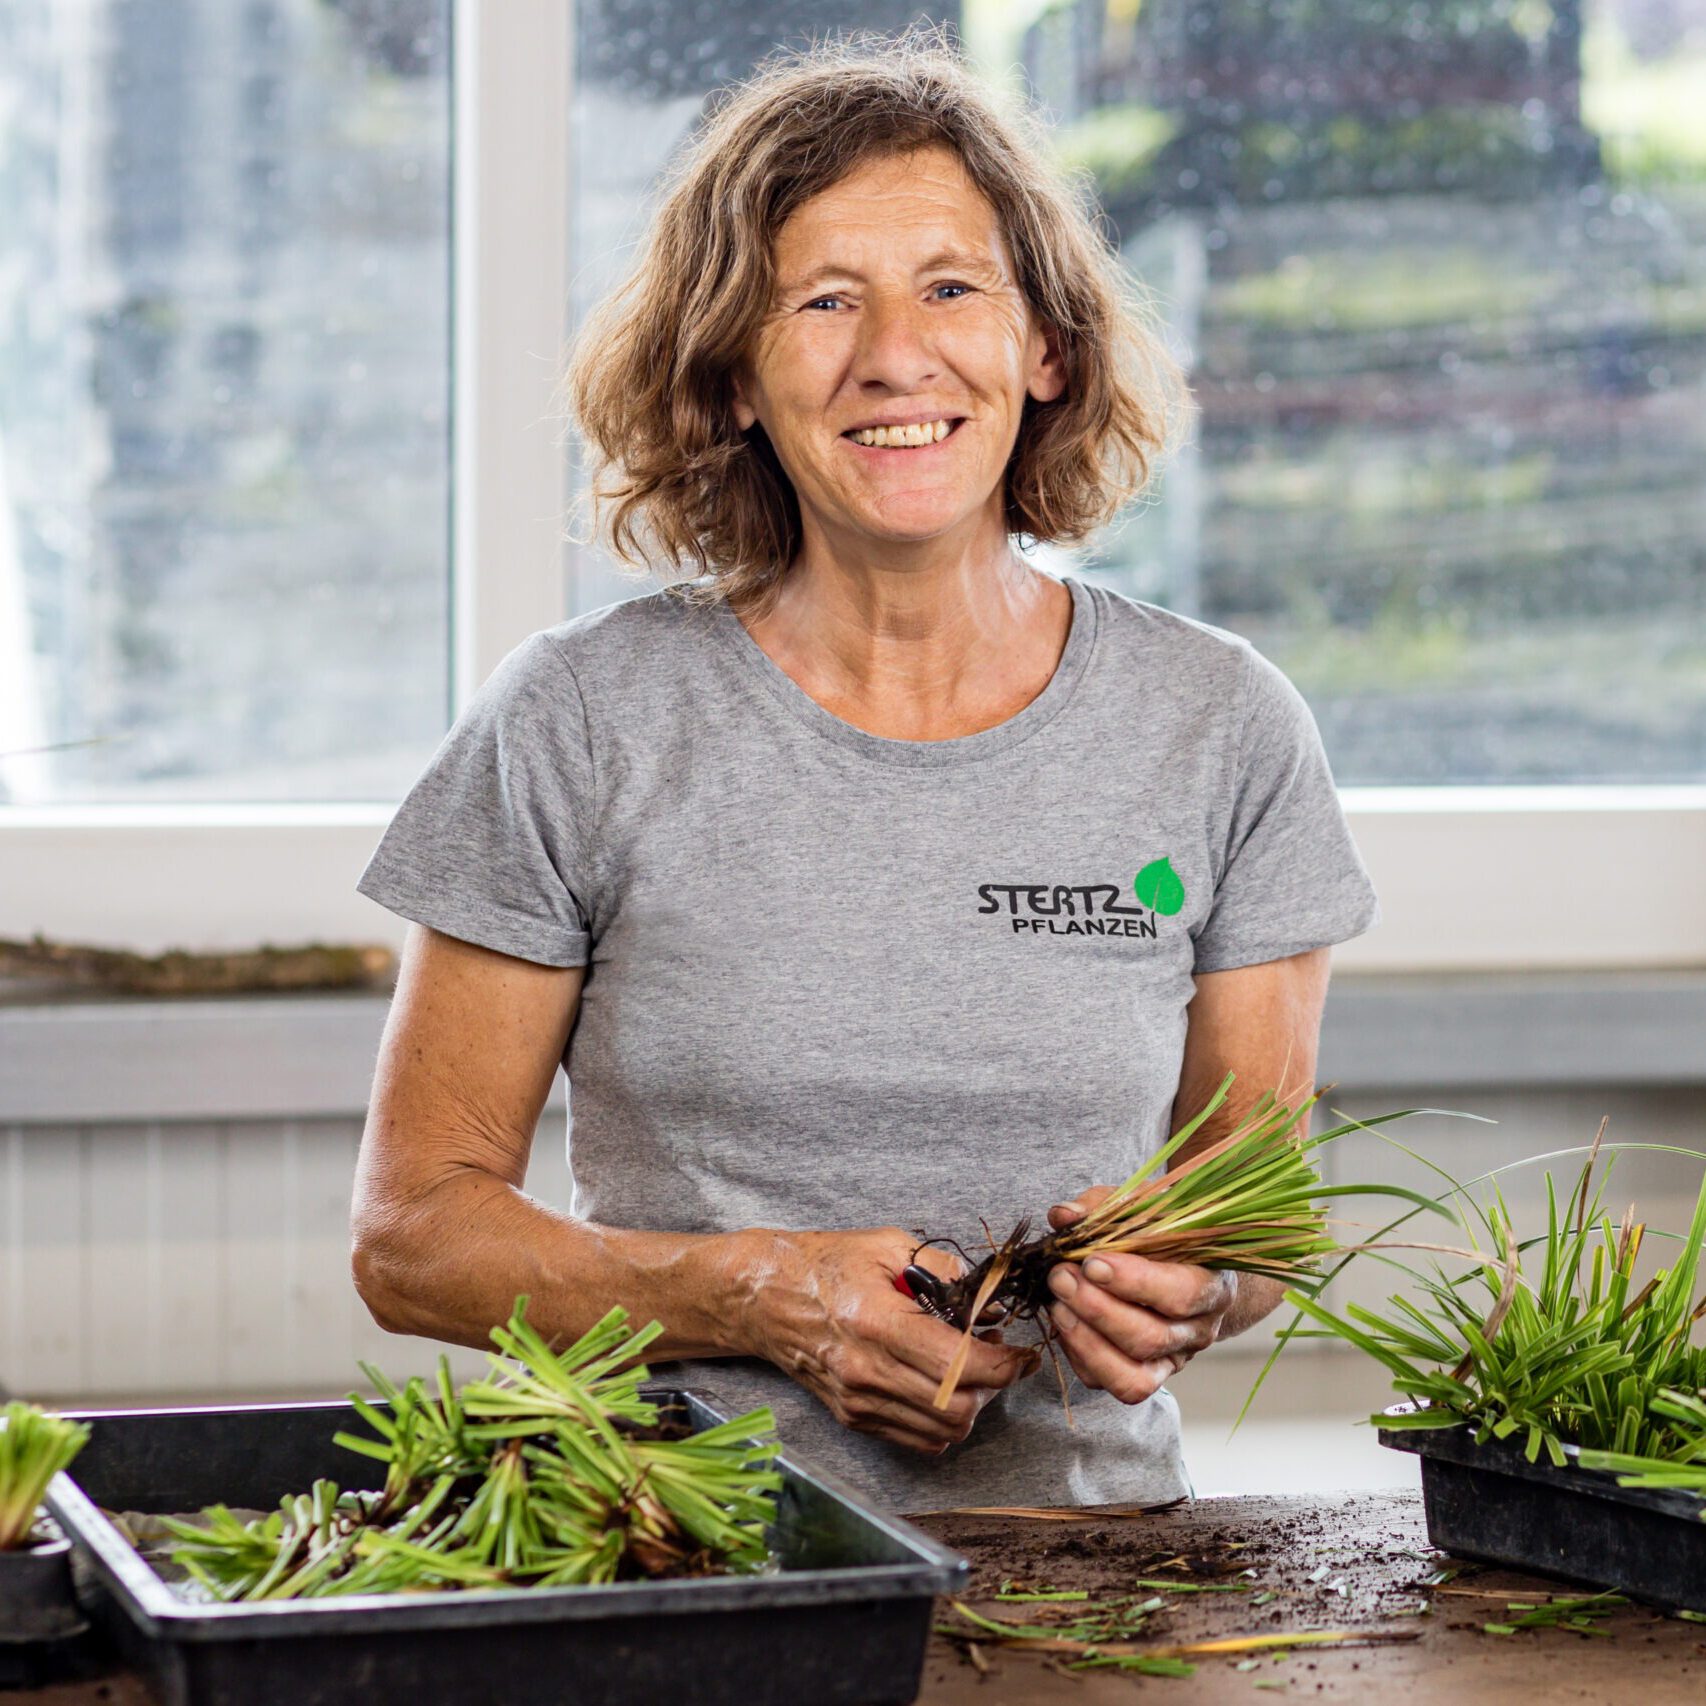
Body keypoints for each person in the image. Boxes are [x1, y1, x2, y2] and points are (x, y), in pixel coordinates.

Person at [349, 28, 1379, 1513]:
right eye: (822, 301)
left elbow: (1250, 1219)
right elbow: (411, 1238)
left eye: (951, 287)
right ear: (735, 381)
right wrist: (759, 1293)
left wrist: (1189, 1286)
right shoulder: (579, 717)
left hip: (1090, 1573)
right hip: (674, 1562)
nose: (895, 354)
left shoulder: (1218, 722)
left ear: (1045, 349)